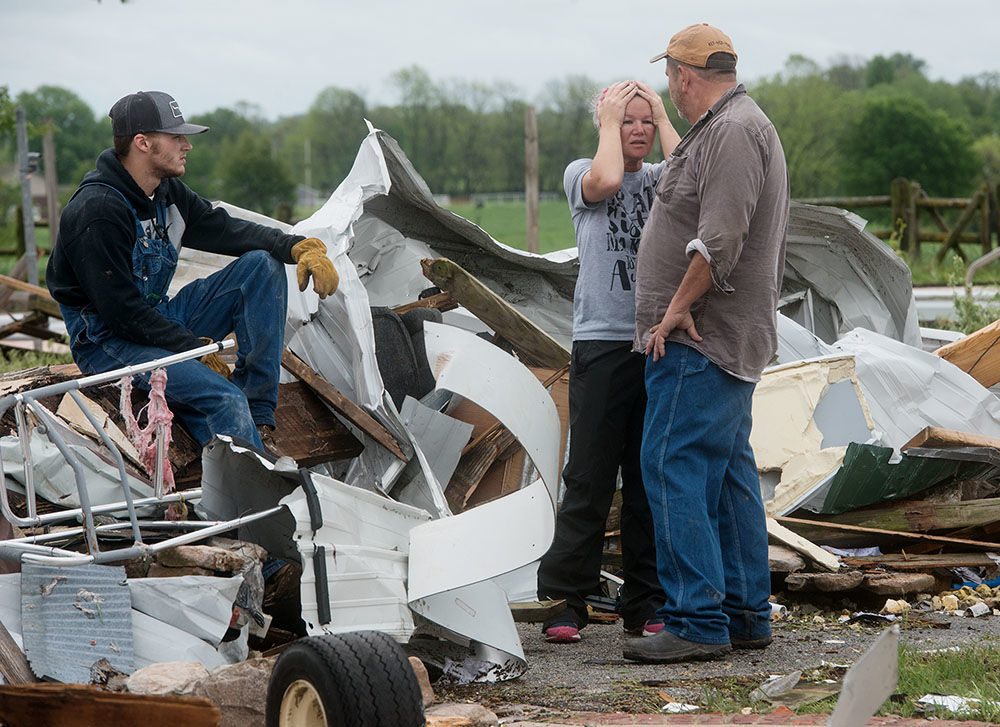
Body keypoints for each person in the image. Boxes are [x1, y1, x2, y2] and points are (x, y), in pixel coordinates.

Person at [622, 24, 790, 663]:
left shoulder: (734, 131)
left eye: (670, 75)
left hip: (701, 338)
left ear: (684, 76)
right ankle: (743, 613)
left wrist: (675, 310)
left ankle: (695, 618)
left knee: (673, 463)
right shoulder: (725, 127)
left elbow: (720, 239)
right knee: (726, 476)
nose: (670, 85)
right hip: (718, 337)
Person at [46, 90, 338, 456]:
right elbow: (122, 314)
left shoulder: (165, 194)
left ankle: (259, 415)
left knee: (262, 267)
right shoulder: (97, 211)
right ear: (143, 143)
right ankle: (248, 477)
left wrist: (296, 247)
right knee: (224, 400)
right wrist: (194, 350)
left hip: (156, 318)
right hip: (106, 342)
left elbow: (225, 228)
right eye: (176, 137)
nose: (187, 145)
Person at [536, 80, 680, 643]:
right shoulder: (581, 173)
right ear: (604, 125)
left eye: (645, 121)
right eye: (627, 120)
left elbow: (691, 173)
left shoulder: (664, 179)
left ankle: (644, 602)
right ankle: (565, 601)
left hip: (657, 343)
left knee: (647, 479)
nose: (638, 130)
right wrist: (608, 121)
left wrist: (663, 115)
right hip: (601, 343)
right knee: (589, 474)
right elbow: (609, 180)